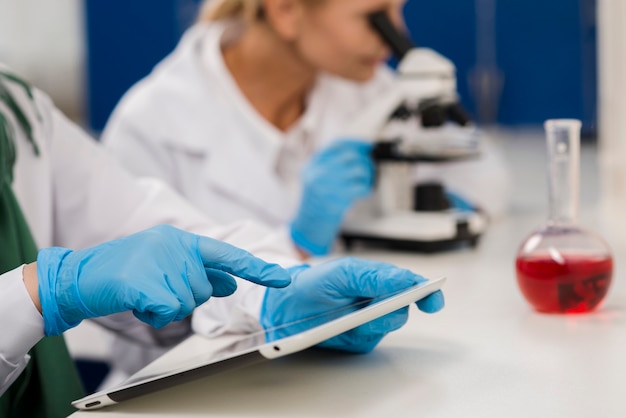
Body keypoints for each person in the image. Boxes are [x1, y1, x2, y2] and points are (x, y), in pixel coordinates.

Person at [0, 69, 444, 417]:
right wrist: (38, 293)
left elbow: (148, 225)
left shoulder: (17, 110)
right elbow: (135, 323)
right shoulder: (159, 110)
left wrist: (280, 293)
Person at [102, 0, 512, 258]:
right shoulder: (151, 123)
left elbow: (485, 173)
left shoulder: (363, 88)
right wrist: (295, 244)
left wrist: (437, 208)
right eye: (376, 17)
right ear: (286, 11)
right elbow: (140, 317)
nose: (396, 38)